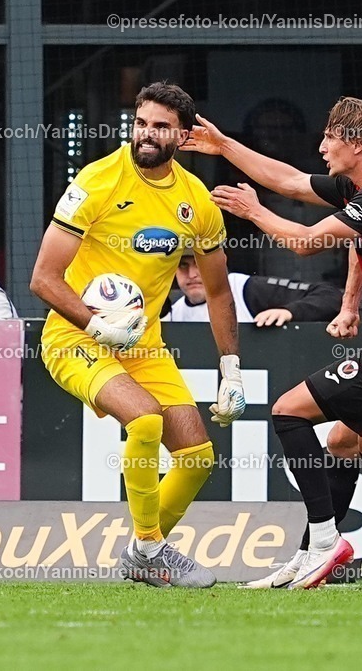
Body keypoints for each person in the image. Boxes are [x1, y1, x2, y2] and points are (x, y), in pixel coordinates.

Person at [186, 97, 362, 590]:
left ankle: (324, 544)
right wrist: (223, 146)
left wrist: (254, 213)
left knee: (288, 412)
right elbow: (288, 179)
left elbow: (305, 241)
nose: (321, 146)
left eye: (329, 136)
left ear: (353, 142)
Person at [30, 81, 246, 589]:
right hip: (74, 337)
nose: (147, 134)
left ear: (185, 136)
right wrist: (95, 322)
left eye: (161, 127)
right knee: (145, 420)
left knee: (197, 458)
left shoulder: (197, 201)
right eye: (142, 122)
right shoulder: (97, 179)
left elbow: (217, 291)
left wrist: (230, 369)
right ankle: (151, 548)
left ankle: (140, 553)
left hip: (142, 345)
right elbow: (43, 278)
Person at [163, 249, 342, 326]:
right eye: (183, 266)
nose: (192, 274)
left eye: (199, 264)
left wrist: (289, 312)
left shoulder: (244, 288)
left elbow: (329, 296)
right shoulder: (172, 313)